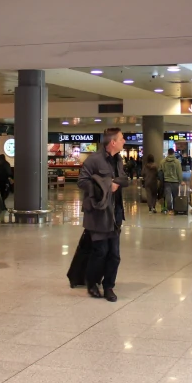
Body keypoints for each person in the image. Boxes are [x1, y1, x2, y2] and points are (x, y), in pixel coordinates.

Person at [78, 128, 129, 302]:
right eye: (122, 139)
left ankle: (109, 286)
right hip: (98, 213)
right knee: (100, 251)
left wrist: (120, 182)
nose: (124, 141)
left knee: (114, 254)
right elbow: (82, 182)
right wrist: (106, 185)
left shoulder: (118, 160)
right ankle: (92, 283)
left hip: (115, 212)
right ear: (113, 142)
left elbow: (121, 179)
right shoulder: (94, 160)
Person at [159, 148, 182, 214]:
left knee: (167, 196)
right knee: (175, 196)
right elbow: (179, 172)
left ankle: (169, 209)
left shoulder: (163, 161)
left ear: (168, 153)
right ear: (173, 153)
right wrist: (180, 180)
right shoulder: (177, 162)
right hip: (175, 182)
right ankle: (175, 209)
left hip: (166, 181)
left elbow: (160, 171)